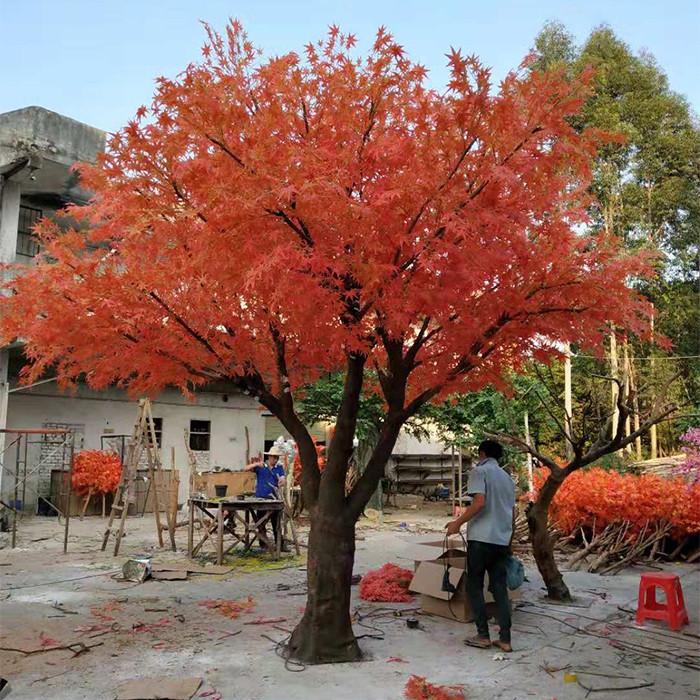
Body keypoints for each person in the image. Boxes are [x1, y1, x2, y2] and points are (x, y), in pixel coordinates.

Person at [445, 439, 516, 652]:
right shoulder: (507, 478)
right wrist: (509, 540)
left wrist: (457, 523)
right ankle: (505, 639)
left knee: (474, 585)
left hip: (482, 539)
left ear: (482, 453)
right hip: (502, 539)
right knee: (499, 588)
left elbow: (479, 502)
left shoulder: (479, 472)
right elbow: (512, 512)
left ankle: (483, 635)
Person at [244, 445, 287, 552]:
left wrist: (282, 481)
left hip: (274, 499)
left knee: (276, 523)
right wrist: (256, 464)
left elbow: (282, 478)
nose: (275, 459)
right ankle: (263, 544)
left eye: (277, 457)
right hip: (261, 499)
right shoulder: (261, 466)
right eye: (274, 457)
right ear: (269, 457)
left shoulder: (279, 468)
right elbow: (245, 469)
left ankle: (280, 545)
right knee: (260, 523)